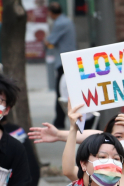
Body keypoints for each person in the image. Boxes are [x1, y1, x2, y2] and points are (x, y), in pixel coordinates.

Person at [45, 1, 77, 129]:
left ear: (51, 13)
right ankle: (60, 119)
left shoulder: (59, 23)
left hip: (63, 62)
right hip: (68, 61)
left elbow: (49, 41)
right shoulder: (67, 21)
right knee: (65, 92)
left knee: (61, 92)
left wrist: (46, 41)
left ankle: (59, 120)